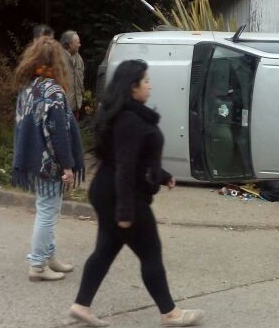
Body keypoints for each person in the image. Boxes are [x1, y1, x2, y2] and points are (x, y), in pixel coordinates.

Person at [69, 60, 204, 327]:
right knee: (150, 252)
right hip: (121, 194)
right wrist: (125, 211)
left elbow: (137, 157)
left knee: (106, 249)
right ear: (133, 87)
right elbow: (125, 165)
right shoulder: (129, 119)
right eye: (146, 81)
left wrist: (162, 174)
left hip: (108, 191)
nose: (150, 85)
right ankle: (170, 313)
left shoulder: (128, 115)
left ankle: (81, 306)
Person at [11, 37, 85, 282]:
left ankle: (49, 256)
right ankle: (37, 265)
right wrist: (68, 165)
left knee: (48, 209)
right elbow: (59, 131)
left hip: (32, 159)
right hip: (49, 163)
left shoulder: (28, 88)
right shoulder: (53, 90)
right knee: (47, 211)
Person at [60, 30, 85, 119]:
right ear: (69, 44)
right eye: (77, 43)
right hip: (61, 107)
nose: (79, 45)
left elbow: (80, 81)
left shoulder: (79, 59)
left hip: (75, 107)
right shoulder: (58, 59)